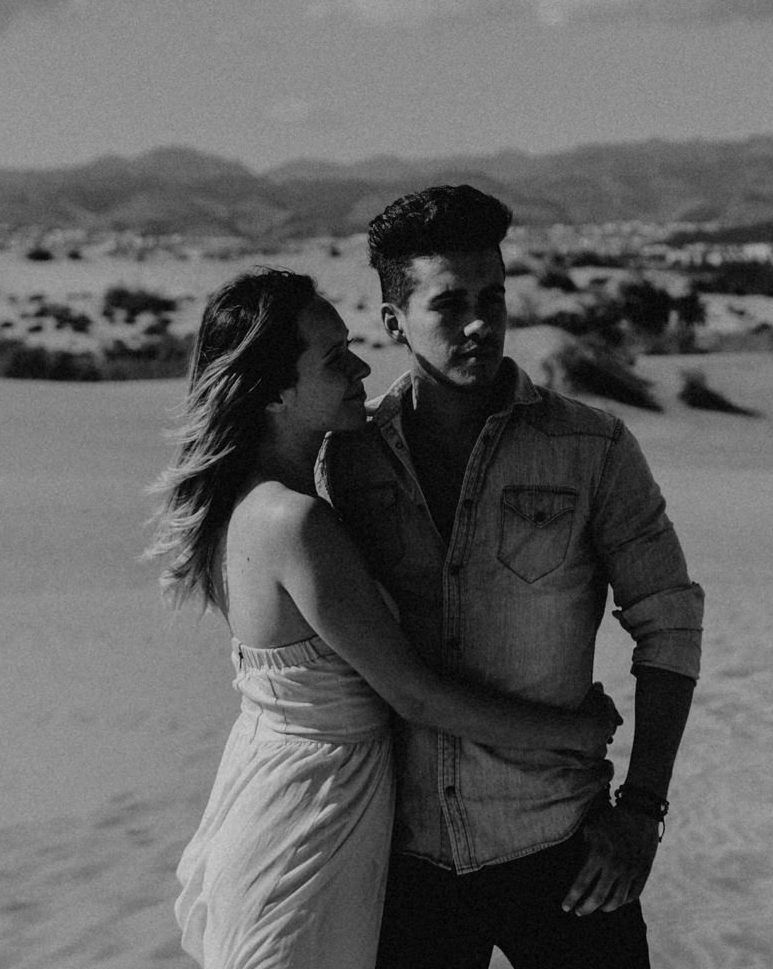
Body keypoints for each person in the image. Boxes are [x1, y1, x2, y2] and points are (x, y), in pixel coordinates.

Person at [158, 268, 621, 969]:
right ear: (273, 390)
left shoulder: (249, 505)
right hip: (310, 825)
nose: (362, 366)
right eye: (334, 358)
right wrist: (574, 732)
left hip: (296, 798)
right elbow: (414, 694)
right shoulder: (297, 522)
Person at [321, 186, 704, 969]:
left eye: (493, 298)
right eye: (450, 303)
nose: (478, 323)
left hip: (564, 850)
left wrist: (642, 811)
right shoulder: (351, 458)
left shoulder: (591, 447)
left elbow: (670, 623)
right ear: (394, 322)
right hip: (403, 861)